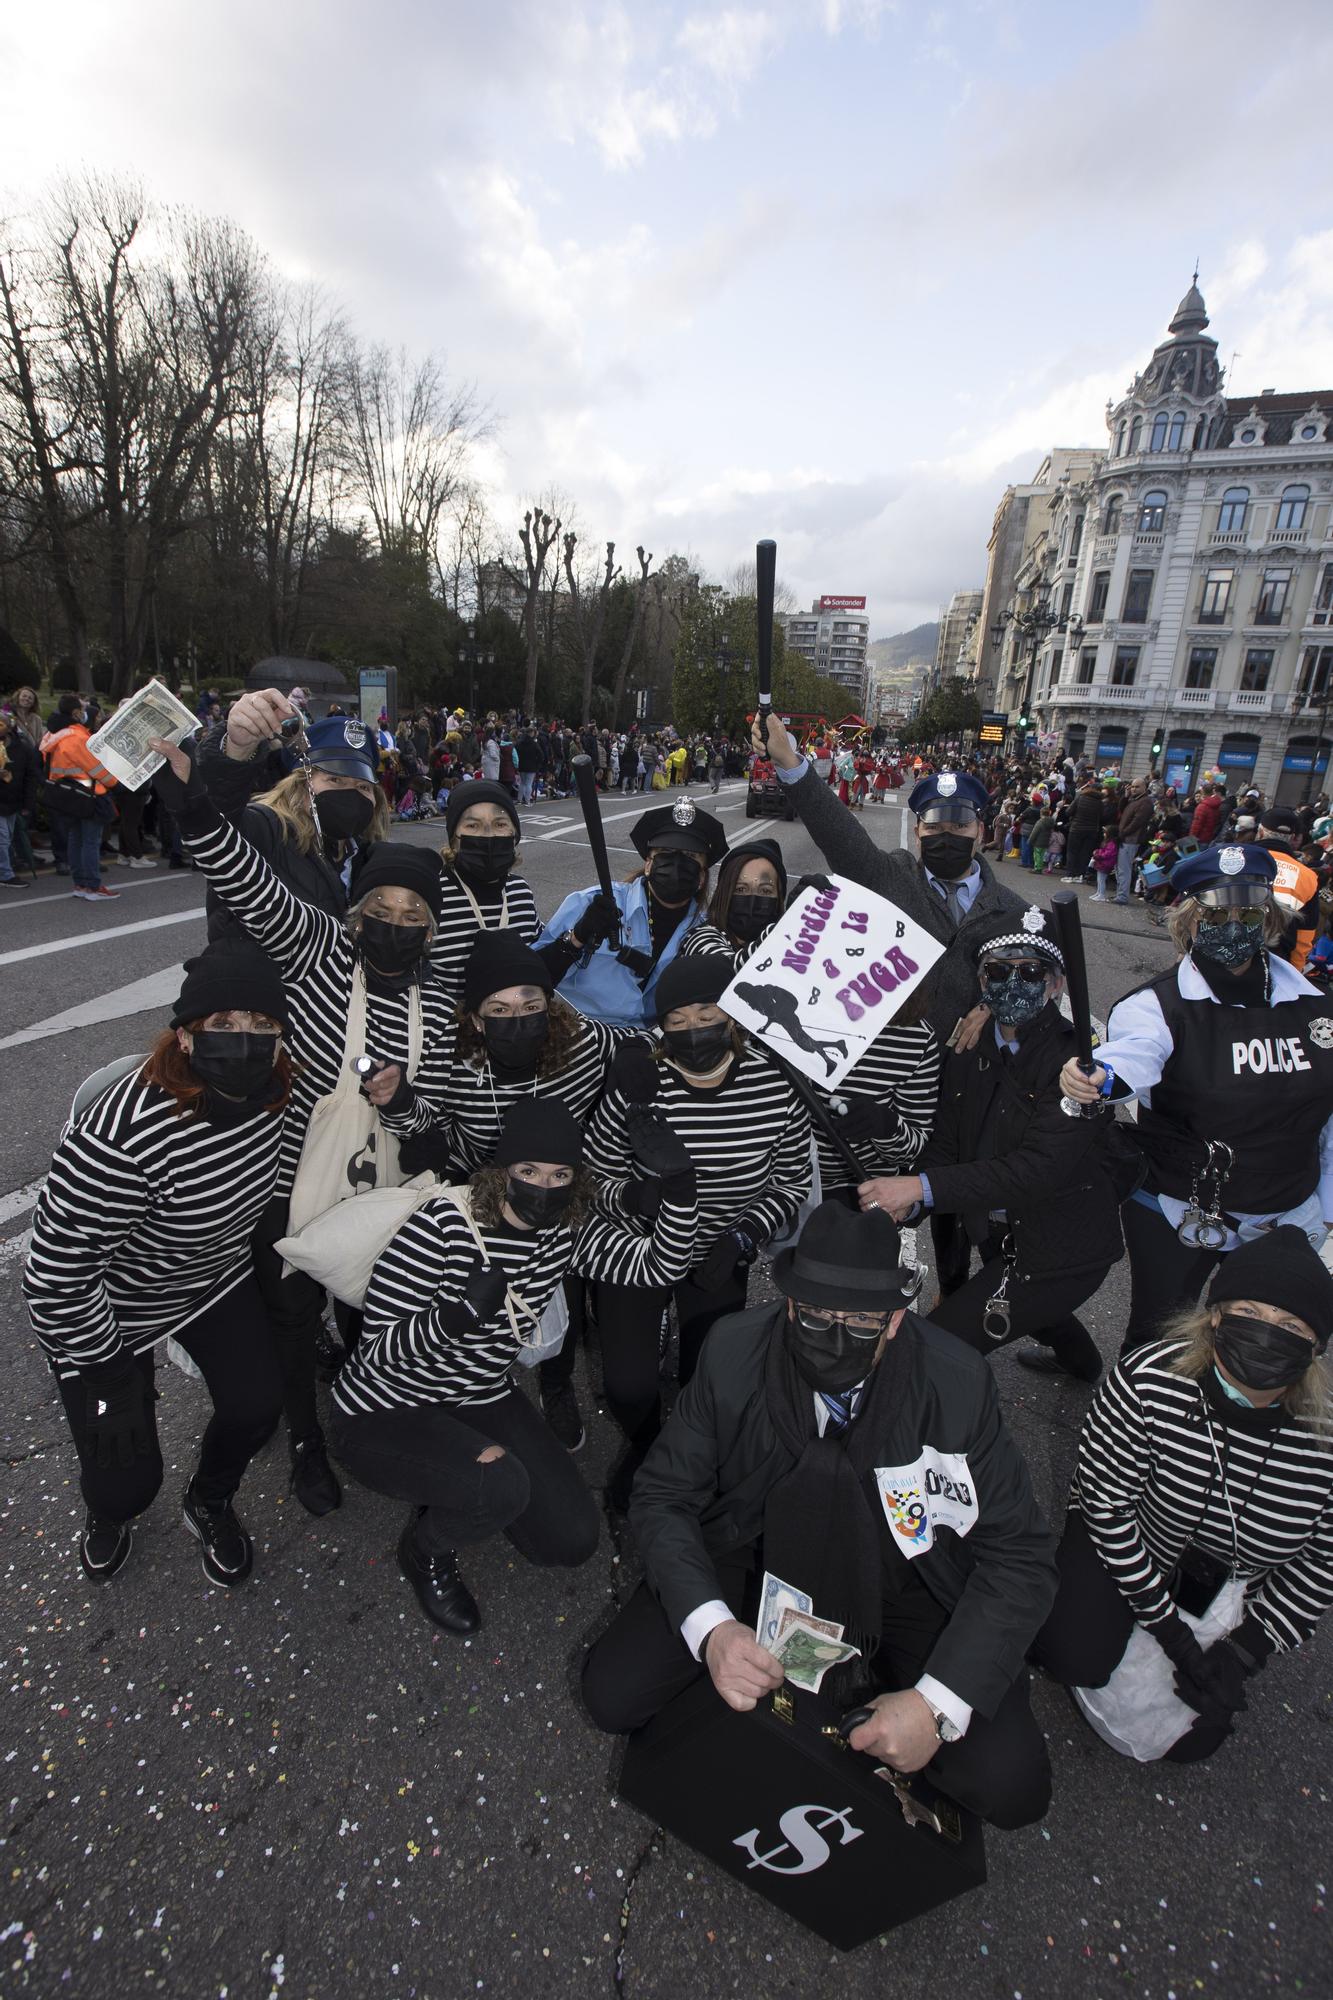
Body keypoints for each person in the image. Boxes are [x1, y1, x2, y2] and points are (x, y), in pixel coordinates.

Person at [581, 1202, 1059, 1832]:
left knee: (1012, 1786)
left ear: (895, 1320)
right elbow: (665, 1493)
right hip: (754, 1547)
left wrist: (936, 1705)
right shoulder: (731, 1351)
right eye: (816, 1316)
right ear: (787, 1305)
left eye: (861, 1321)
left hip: (907, 1575)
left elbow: (1019, 1551)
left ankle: (873, 1701)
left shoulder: (957, 1383)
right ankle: (763, 1686)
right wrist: (715, 1632)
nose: (836, 1337)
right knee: (612, 1694)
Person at [151, 738, 459, 1516]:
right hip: (290, 1176)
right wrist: (194, 801)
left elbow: (437, 1127)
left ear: (429, 931)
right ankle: (304, 1443)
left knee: (369, 1307)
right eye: (379, 911)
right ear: (356, 914)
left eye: (410, 917)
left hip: (384, 1191)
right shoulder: (319, 948)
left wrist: (402, 1103)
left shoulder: (440, 1006)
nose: (392, 926)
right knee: (291, 1319)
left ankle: (366, 1413)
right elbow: (244, 881)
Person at [23, 942, 291, 1587]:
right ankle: (108, 1514)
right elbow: (56, 1273)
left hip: (208, 1279)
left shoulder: (278, 1093)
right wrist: (107, 1371)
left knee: (258, 1407)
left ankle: (209, 1499)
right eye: (223, 1025)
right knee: (123, 1481)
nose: (245, 1041)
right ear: (185, 1036)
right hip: (109, 1303)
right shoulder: (125, 1131)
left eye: (263, 1027)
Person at [1034, 1227, 1333, 1763]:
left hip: (1229, 1581)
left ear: (1315, 1348)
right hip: (1129, 1540)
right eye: (1250, 1312)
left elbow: (1322, 1565)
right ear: (1215, 1315)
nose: (1268, 1335)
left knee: (1194, 1745)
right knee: (1068, 1653)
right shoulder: (1148, 1380)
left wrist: (1247, 1651)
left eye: (1291, 1325)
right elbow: (1106, 1508)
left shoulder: (1324, 1439)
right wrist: (1170, 1633)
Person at [328, 1104, 610, 1635]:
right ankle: (425, 1550)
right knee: (499, 1486)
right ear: (501, 1172)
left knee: (571, 1542)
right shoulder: (440, 1227)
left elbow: (655, 1265)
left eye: (560, 1175)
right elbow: (377, 1351)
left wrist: (679, 1192)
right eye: (527, 1172)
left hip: (478, 1392)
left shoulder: (561, 1231)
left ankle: (481, 1487)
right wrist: (454, 1316)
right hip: (387, 1406)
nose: (543, 1187)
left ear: (576, 1182)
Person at [1061, 844, 1333, 1352]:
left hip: (1287, 1211)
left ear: (1270, 918)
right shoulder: (1155, 1005)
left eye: (1248, 911)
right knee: (1155, 1340)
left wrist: (1329, 1204)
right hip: (1179, 1207)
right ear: (1189, 919)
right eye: (1215, 912)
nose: (1234, 924)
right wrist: (1101, 1079)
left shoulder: (1319, 1007)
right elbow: (1133, 1059)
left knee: (1268, 1347)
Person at [858, 909, 1126, 1382]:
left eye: (1031, 971)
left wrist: (918, 1188)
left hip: (1063, 1246)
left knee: (926, 1349)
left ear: (1057, 984)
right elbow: (947, 1144)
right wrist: (907, 1206)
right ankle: (1082, 1365)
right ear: (981, 980)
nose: (1013, 983)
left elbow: (1036, 1170)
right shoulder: (968, 1050)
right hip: (1005, 1236)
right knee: (1039, 1311)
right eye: (998, 970)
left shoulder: (1079, 1065)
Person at [584, 954, 812, 1505]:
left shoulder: (775, 1084)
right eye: (676, 1020)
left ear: (732, 1016)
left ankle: (685, 1457)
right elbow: (591, 1178)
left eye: (706, 1013)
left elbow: (792, 1183)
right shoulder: (638, 1087)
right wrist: (635, 1197)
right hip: (639, 1245)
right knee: (630, 1384)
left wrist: (743, 1238)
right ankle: (644, 1447)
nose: (693, 1030)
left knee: (709, 1375)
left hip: (720, 1246)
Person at [750, 719, 1024, 1051]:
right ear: (917, 834)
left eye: (960, 826)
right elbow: (840, 835)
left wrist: (997, 1007)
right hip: (893, 1072)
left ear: (980, 831)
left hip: (970, 1077)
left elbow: (1039, 991)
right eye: (935, 829)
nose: (947, 837)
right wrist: (789, 762)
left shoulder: (1014, 912)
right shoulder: (893, 876)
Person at [197, 693, 390, 940]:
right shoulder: (265, 831)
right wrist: (235, 750)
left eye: (363, 786)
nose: (351, 794)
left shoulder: (368, 856)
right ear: (300, 785)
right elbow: (217, 823)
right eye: (335, 779)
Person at [535, 797, 727, 1029]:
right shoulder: (591, 902)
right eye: (666, 852)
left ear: (701, 878)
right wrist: (576, 938)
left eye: (690, 857)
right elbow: (533, 975)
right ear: (648, 864)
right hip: (575, 1032)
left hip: (645, 1045)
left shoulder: (704, 932)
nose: (676, 863)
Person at [432, 779, 541, 1006]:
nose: (488, 836)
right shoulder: (432, 896)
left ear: (514, 835)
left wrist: (576, 938)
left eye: (500, 824)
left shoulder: (520, 890)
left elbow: (540, 961)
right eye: (472, 826)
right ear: (453, 839)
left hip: (515, 1028)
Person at [41, 693, 120, 901]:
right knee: (90, 842)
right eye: (83, 708)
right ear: (76, 712)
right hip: (89, 795)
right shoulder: (77, 737)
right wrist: (115, 782)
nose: (85, 712)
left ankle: (80, 884)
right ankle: (93, 886)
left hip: (67, 795)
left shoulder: (53, 735)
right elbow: (95, 768)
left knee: (75, 839)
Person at [680, 837, 787, 972]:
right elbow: (727, 971)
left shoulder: (786, 946)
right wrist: (790, 926)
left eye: (765, 891)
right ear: (724, 893)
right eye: (741, 889)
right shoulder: (701, 938)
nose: (752, 901)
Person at [1256, 804, 1322, 971]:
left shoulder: (1233, 858)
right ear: (1293, 838)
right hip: (1275, 963)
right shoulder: (1308, 876)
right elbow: (1304, 934)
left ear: (1261, 832)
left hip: (1221, 956)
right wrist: (1295, 971)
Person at [0, 705, 38, 888]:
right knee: (3, 838)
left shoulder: (20, 747)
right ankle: (5, 874)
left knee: (8, 836)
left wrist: (28, 803)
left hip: (12, 800)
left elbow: (30, 775)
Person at [1114, 778, 1153, 907]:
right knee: (1121, 868)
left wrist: (1123, 832)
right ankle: (1120, 893)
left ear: (1144, 788)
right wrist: (1125, 797)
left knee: (1124, 868)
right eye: (1132, 787)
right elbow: (1121, 810)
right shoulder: (1135, 800)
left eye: (1137, 787)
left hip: (1131, 839)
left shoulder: (1145, 802)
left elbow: (1137, 822)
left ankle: (1122, 896)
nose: (1133, 789)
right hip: (1126, 837)